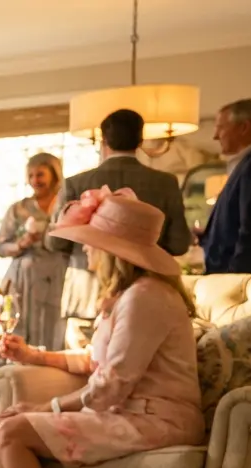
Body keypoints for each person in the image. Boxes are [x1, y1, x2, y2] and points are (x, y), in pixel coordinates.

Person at [0, 186, 203, 468]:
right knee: (9, 426)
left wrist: (47, 406)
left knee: (11, 431)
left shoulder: (146, 298)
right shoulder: (129, 296)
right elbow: (93, 360)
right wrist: (34, 356)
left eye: (90, 244)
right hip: (130, 412)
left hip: (155, 420)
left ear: (112, 252)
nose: (84, 251)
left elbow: (110, 386)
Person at [48, 109, 190, 349]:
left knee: (81, 364)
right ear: (141, 140)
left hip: (86, 294)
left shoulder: (76, 183)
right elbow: (179, 244)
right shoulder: (165, 183)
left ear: (103, 141)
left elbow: (55, 242)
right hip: (146, 293)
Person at [0, 153, 68, 351]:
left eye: (40, 174)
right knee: (22, 328)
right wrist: (21, 244)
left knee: (55, 329)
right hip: (25, 280)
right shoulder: (18, 209)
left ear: (54, 175)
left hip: (57, 276)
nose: (35, 180)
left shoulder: (65, 206)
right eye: (31, 175)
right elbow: (1, 247)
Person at [201, 99, 251, 274]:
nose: (215, 136)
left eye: (220, 128)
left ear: (244, 127)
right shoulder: (249, 162)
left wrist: (236, 276)